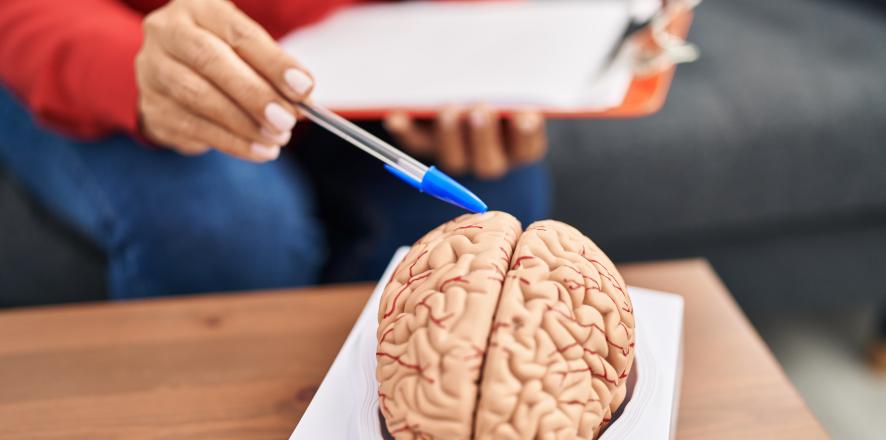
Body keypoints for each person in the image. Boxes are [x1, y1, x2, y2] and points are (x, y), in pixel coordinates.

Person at [0, 0, 550, 298]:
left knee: (491, 195)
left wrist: (476, 40)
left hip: (355, 49)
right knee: (222, 223)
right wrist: (128, 64)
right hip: (111, 42)